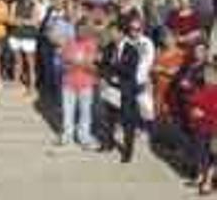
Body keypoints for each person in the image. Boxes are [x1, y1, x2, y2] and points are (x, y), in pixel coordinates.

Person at [99, 15, 153, 163]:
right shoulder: (109, 47)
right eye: (110, 32)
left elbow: (129, 70)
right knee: (109, 119)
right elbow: (103, 65)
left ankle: (127, 152)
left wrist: (113, 66)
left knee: (128, 122)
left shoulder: (131, 50)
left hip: (126, 90)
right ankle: (108, 144)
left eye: (114, 32)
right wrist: (104, 76)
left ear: (122, 33)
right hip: (111, 89)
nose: (112, 35)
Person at [57, 24, 98, 149]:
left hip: (86, 83)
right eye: (79, 30)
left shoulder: (92, 44)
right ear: (75, 31)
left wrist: (76, 63)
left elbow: (92, 66)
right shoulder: (69, 43)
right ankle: (67, 136)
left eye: (84, 30)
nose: (81, 33)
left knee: (85, 113)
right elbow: (64, 65)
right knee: (67, 112)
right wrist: (80, 63)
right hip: (68, 83)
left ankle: (84, 136)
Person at [10, 0, 41, 94]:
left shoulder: (34, 5)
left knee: (30, 63)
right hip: (15, 35)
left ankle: (31, 86)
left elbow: (35, 22)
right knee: (17, 61)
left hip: (29, 37)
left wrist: (21, 21)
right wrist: (25, 21)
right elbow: (11, 20)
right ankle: (16, 82)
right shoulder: (15, 4)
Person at [152, 33, 186, 121]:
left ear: (175, 39)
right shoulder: (161, 54)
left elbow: (175, 71)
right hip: (158, 88)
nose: (167, 40)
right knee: (158, 115)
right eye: (166, 38)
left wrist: (162, 69)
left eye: (170, 38)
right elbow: (153, 69)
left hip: (170, 88)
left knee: (169, 114)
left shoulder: (181, 53)